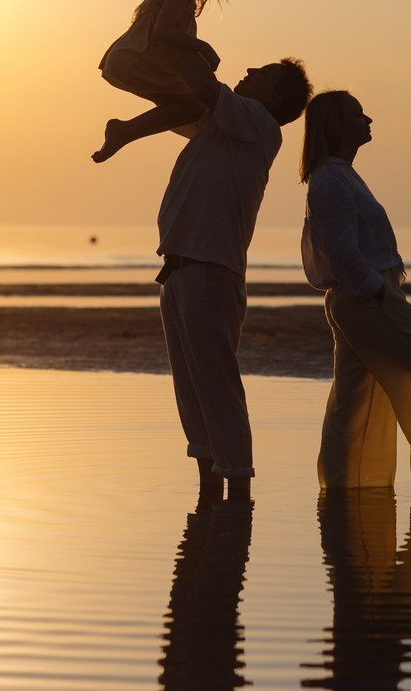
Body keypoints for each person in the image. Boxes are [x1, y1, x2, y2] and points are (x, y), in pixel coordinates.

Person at [300, 90, 411, 493]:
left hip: (361, 298)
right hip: (366, 299)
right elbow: (342, 252)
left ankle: (348, 490)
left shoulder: (338, 175)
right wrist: (377, 292)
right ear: (337, 127)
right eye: (358, 115)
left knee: (355, 395)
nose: (368, 120)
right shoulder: (330, 179)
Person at [158, 47, 312, 498]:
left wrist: (176, 35)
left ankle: (239, 494)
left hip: (209, 271)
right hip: (181, 271)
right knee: (193, 389)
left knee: (216, 385)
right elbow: (179, 102)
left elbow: (202, 85)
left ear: (275, 98)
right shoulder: (223, 126)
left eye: (262, 72)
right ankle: (209, 492)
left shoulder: (258, 123)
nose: (248, 71)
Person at [93, 0, 235, 163]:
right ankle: (124, 131)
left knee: (187, 107)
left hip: (132, 59)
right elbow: (164, 30)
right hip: (139, 60)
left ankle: (125, 132)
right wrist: (204, 48)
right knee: (194, 107)